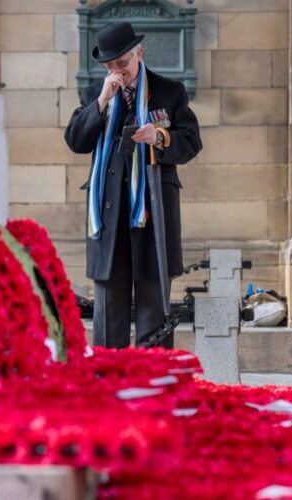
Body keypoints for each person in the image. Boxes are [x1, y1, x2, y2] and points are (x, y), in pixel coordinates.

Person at [64, 21, 202, 349]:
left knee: (154, 305)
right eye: (109, 66)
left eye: (122, 63)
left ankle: (153, 381)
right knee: (109, 306)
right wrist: (101, 102)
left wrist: (161, 137)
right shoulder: (94, 94)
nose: (117, 72)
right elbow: (76, 141)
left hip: (152, 209)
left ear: (138, 53)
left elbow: (192, 141)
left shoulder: (169, 91)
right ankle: (109, 382)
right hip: (108, 216)